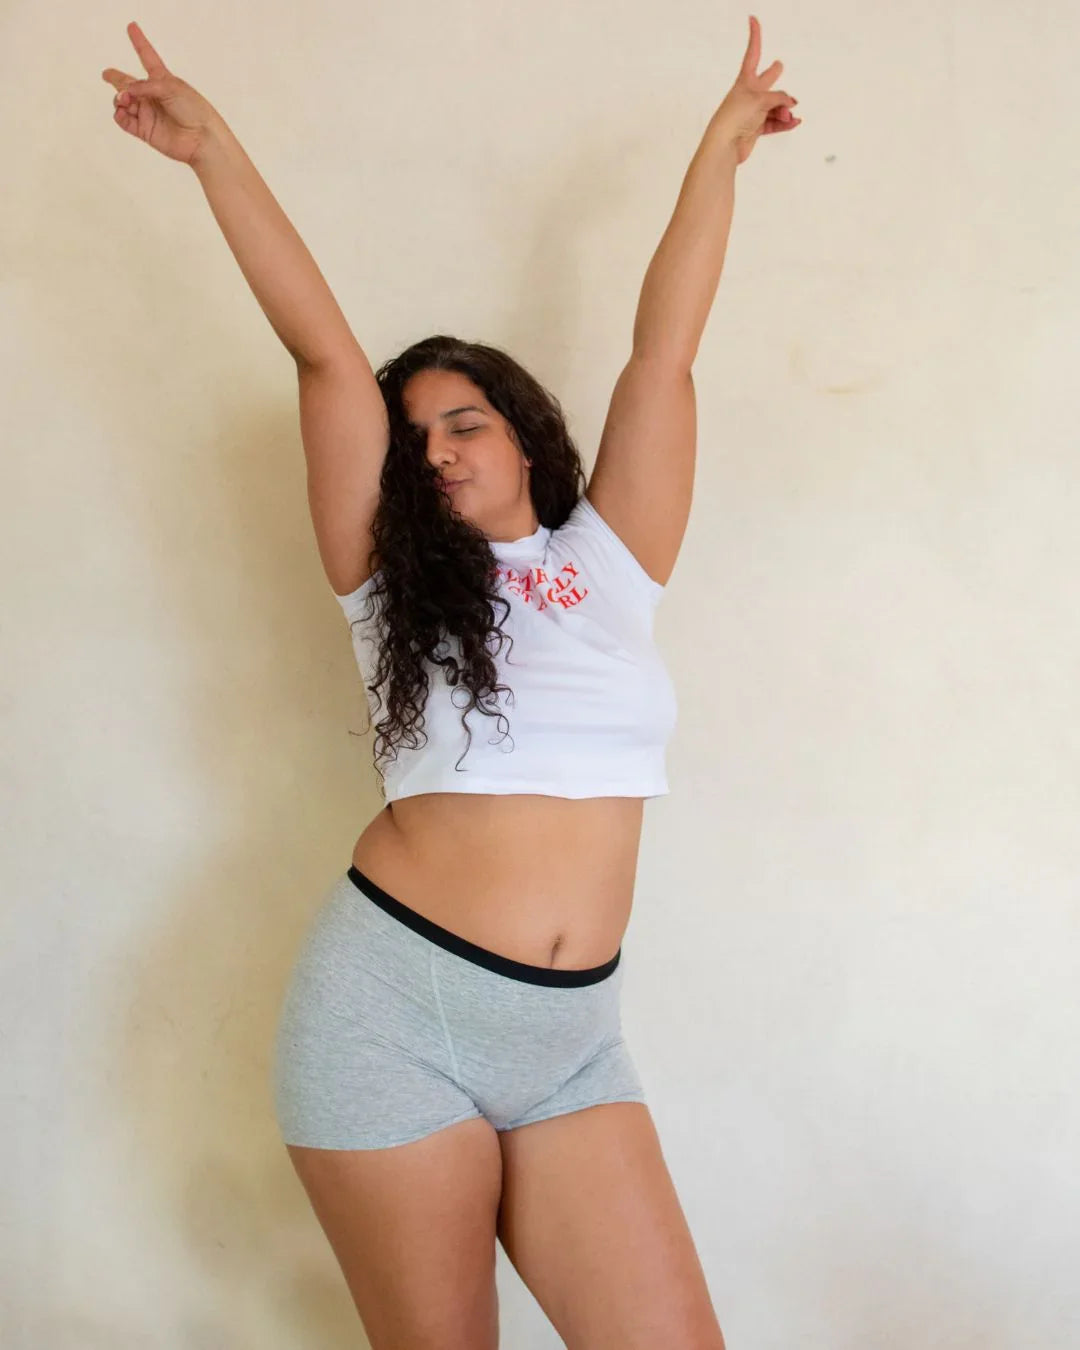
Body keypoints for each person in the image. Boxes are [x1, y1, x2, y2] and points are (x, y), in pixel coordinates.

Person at [103, 16, 798, 1348]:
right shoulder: (386, 580)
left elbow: (665, 352)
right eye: (412, 436)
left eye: (463, 421)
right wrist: (213, 153)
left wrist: (718, 154)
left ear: (525, 437)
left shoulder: (612, 563)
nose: (435, 449)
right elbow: (322, 353)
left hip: (574, 1044)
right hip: (392, 1018)